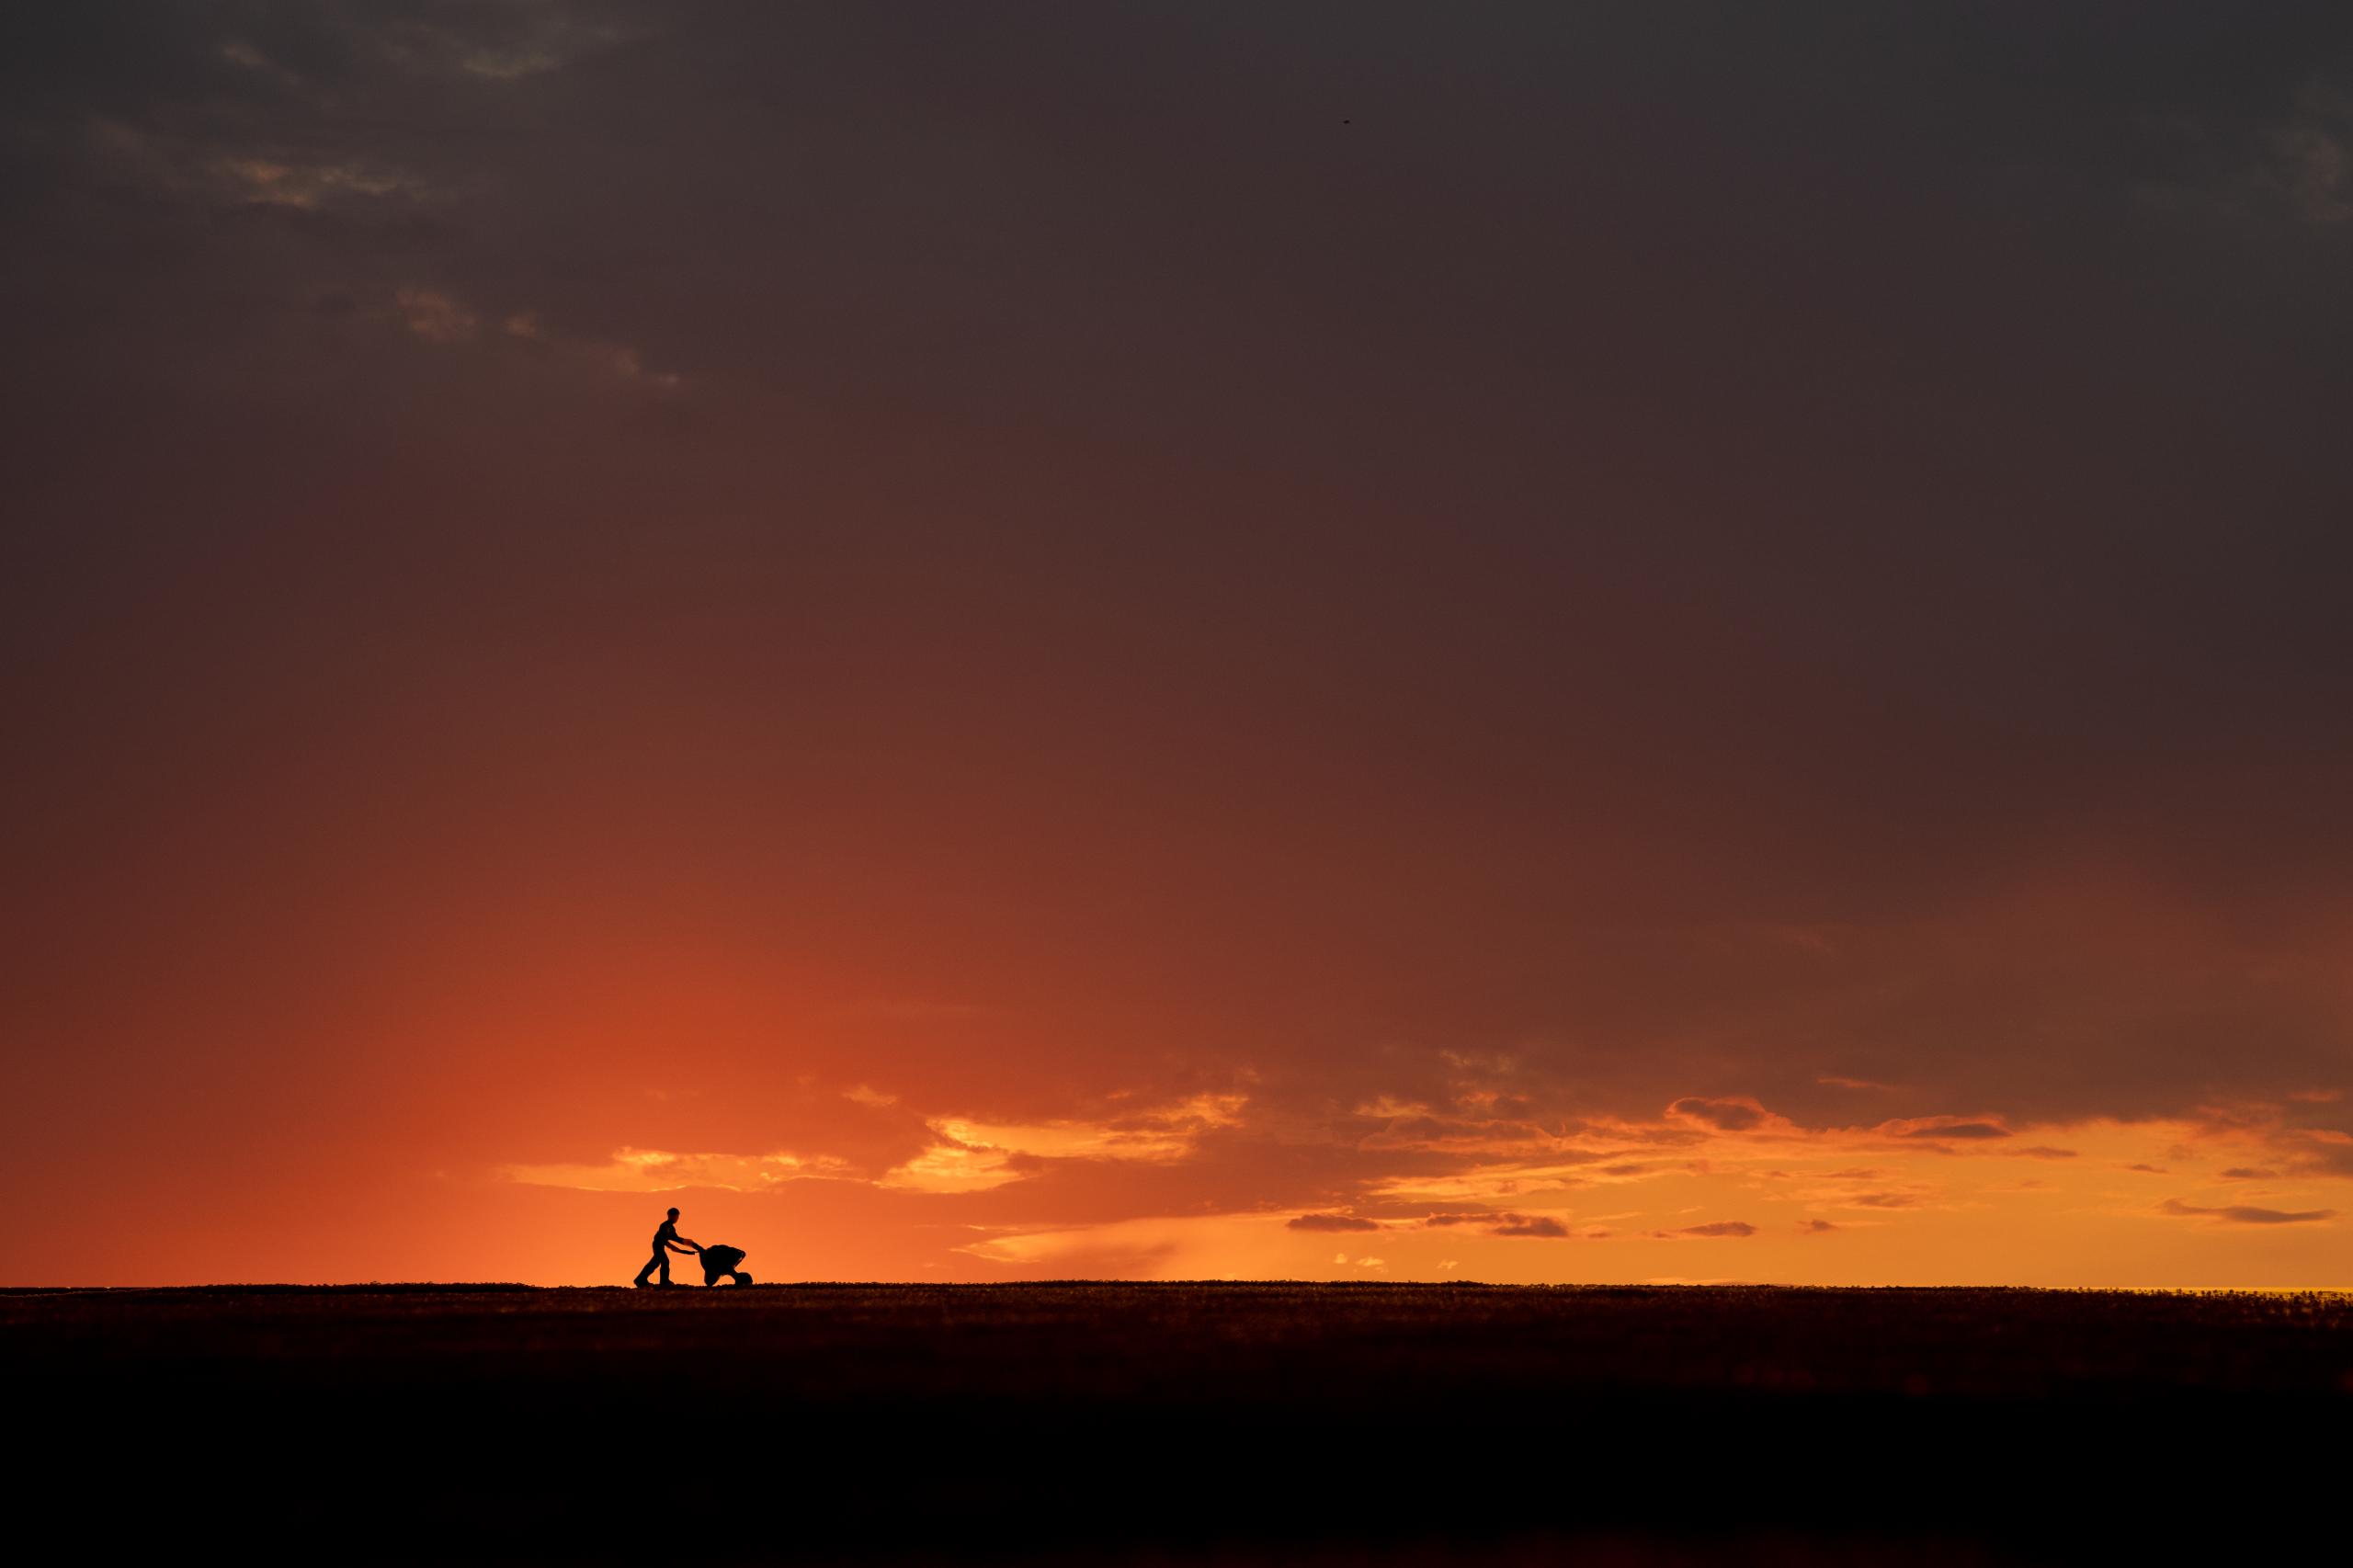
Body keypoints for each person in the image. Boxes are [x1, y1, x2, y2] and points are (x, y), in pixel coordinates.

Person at [633, 1207, 700, 1287]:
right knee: (665, 1261)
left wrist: (692, 1244)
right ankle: (664, 1281)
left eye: (677, 1216)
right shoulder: (664, 1225)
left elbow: (676, 1238)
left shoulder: (671, 1228)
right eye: (674, 1216)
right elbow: (662, 1238)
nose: (676, 1218)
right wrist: (672, 1247)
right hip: (657, 1245)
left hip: (660, 1245)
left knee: (655, 1262)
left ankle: (640, 1279)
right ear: (669, 1216)